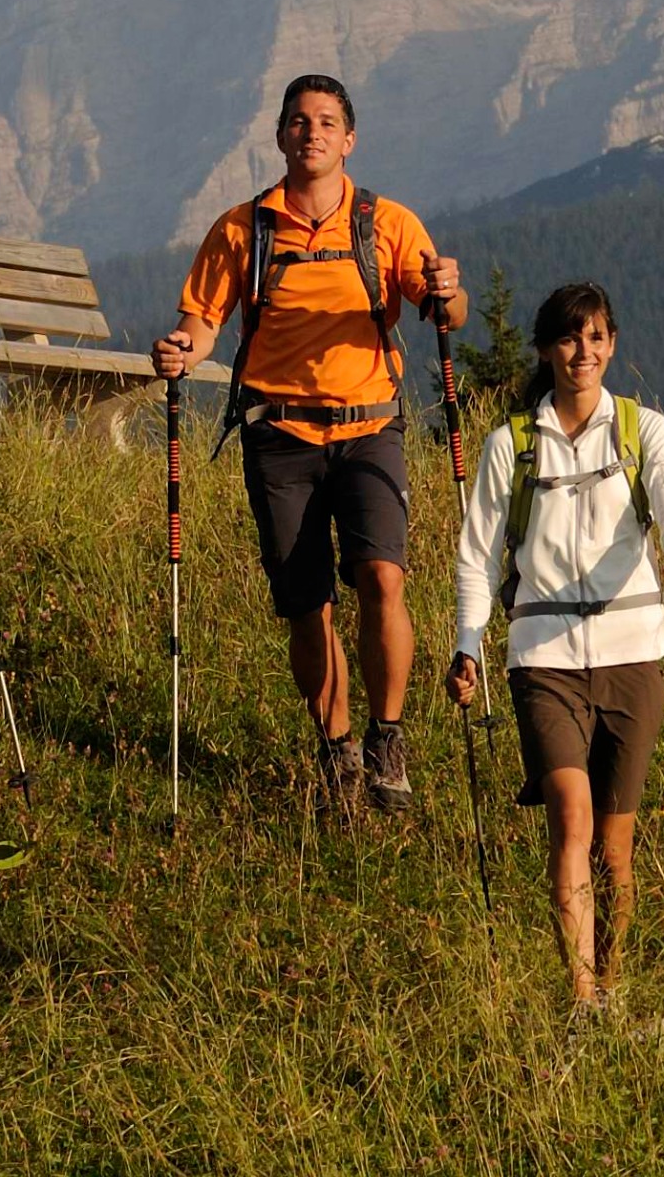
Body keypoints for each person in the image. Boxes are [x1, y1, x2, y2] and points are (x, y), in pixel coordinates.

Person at [152, 74, 464, 812]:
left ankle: (387, 738)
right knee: (308, 605)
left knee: (384, 579)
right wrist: (181, 352)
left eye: (327, 122)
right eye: (299, 121)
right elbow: (201, 323)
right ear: (281, 137)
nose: (312, 132)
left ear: (349, 140)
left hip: (370, 429)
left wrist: (449, 288)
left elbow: (444, 309)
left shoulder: (387, 224)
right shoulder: (242, 229)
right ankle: (339, 750)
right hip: (279, 434)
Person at [446, 280, 664, 1017]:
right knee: (572, 815)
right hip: (543, 656)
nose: (582, 352)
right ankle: (581, 997)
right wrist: (468, 645)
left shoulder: (644, 431)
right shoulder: (510, 446)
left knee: (616, 847)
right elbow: (476, 557)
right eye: (569, 338)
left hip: (633, 651)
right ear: (546, 349)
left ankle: (614, 988)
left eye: (595, 337)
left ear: (612, 345)